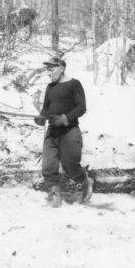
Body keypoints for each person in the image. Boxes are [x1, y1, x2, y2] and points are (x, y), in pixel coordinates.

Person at [34, 57, 93, 207]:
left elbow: (81, 107)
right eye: (48, 70)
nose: (49, 73)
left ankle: (85, 181)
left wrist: (65, 118)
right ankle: (55, 193)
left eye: (52, 69)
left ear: (61, 68)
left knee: (70, 166)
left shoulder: (74, 84)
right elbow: (47, 108)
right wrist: (41, 117)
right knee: (48, 165)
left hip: (69, 131)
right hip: (52, 131)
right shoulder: (50, 87)